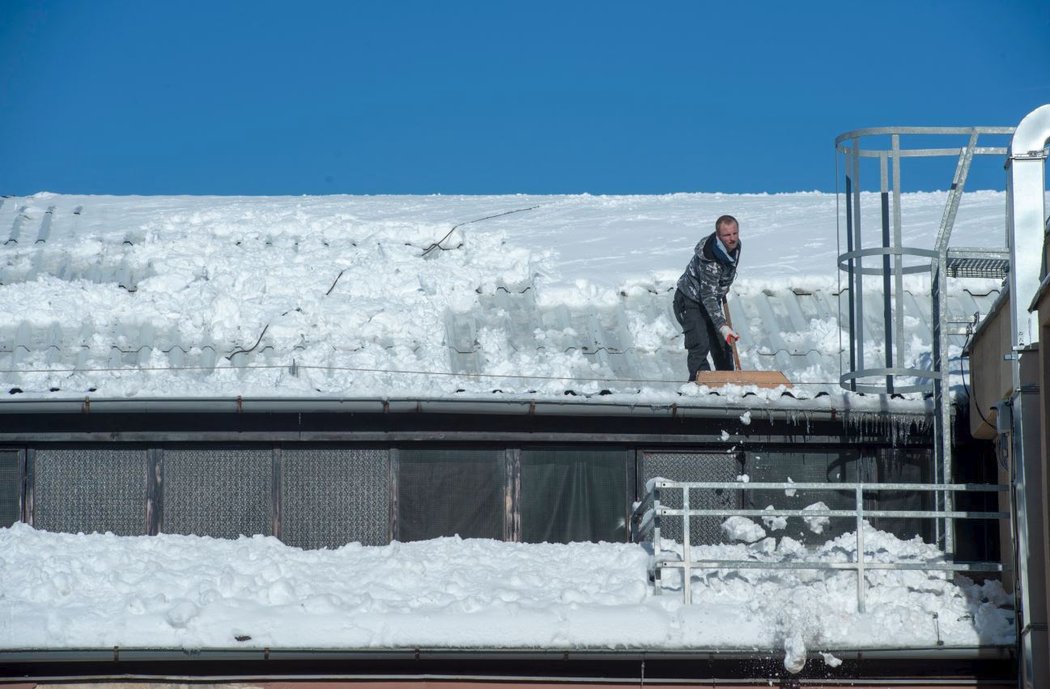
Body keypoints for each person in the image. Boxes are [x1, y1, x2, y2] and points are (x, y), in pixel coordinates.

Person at [672, 215, 741, 381]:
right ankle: (701, 386)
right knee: (700, 344)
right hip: (690, 301)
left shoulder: (736, 246)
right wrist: (723, 326)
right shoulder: (710, 259)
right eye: (727, 235)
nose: (732, 239)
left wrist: (724, 286)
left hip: (709, 298)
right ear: (718, 236)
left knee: (723, 345)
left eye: (735, 233)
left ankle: (728, 384)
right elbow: (707, 296)